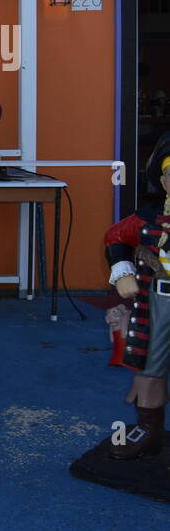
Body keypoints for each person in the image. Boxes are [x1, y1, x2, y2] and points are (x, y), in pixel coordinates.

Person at [104, 132, 170, 458]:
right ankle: (149, 427)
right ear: (163, 178)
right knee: (150, 365)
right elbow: (116, 236)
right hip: (161, 301)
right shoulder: (149, 216)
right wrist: (123, 270)